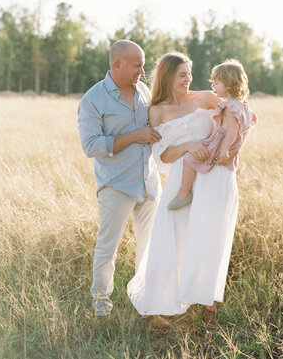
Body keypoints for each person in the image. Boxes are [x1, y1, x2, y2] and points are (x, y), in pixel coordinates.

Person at [127, 52, 257, 320]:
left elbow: (238, 118)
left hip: (213, 178)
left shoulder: (207, 99)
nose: (189, 79)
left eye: (190, 73)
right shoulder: (157, 111)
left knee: (208, 236)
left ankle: (206, 299)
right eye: (182, 75)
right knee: (169, 236)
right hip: (180, 179)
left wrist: (233, 151)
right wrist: (187, 146)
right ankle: (156, 301)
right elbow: (160, 156)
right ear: (167, 77)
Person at [78, 40, 162, 318]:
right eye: (137, 65)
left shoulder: (144, 91)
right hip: (116, 186)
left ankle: (145, 304)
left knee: (149, 248)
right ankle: (101, 309)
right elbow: (91, 146)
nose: (143, 69)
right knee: (107, 249)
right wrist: (134, 136)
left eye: (143, 63)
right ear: (117, 65)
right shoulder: (93, 99)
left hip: (149, 184)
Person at [167, 59, 256, 211]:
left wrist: (224, 150)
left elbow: (232, 130)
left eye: (217, 83)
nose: (213, 86)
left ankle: (184, 193)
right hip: (229, 144)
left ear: (228, 85)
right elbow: (248, 126)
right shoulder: (243, 106)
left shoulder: (229, 107)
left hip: (220, 143)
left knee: (189, 158)